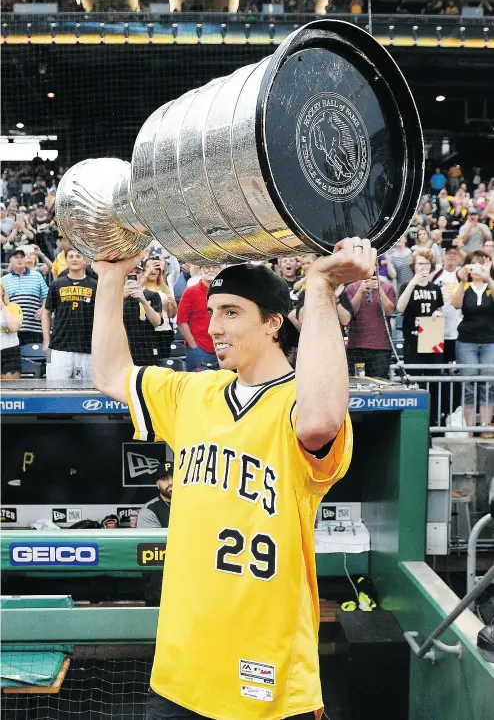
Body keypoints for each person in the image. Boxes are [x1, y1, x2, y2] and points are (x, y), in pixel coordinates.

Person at [91, 237, 374, 720]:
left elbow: (320, 421)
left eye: (230, 313)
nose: (214, 327)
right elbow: (111, 373)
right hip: (184, 668)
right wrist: (112, 277)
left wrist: (322, 288)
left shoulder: (300, 403)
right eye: (212, 311)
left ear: (272, 323)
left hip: (267, 668)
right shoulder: (195, 391)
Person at [451, 250, 494, 436]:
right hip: (467, 340)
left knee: (488, 384)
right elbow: (456, 304)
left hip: (490, 341)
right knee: (468, 383)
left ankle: (484, 427)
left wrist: (488, 277)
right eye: (473, 264)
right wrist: (461, 281)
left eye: (480, 264)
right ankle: (469, 429)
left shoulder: (491, 286)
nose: (476, 268)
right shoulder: (465, 287)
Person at [42, 248, 97, 380]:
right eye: (71, 256)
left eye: (78, 256)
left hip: (86, 348)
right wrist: (46, 341)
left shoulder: (95, 285)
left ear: (85, 260)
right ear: (66, 260)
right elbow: (46, 312)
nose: (74, 259)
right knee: (56, 391)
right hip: (59, 348)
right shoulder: (56, 285)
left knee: (84, 392)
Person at [397, 249, 444, 365]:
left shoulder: (436, 288)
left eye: (426, 264)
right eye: (420, 264)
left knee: (433, 378)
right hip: (412, 338)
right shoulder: (406, 286)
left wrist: (438, 314)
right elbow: (400, 308)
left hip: (431, 337)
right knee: (414, 377)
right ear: (414, 266)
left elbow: (440, 310)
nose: (423, 267)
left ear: (431, 266)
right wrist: (413, 283)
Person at [345, 275, 396, 379]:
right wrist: (360, 291)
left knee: (379, 382)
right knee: (357, 381)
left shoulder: (387, 287)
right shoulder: (351, 288)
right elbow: (350, 313)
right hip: (356, 346)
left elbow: (389, 311)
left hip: (381, 347)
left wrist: (379, 290)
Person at [138, 469, 174, 607]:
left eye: (174, 477)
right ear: (157, 484)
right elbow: (153, 553)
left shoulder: (194, 506)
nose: (171, 482)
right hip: (162, 577)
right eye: (165, 479)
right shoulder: (150, 510)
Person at [176, 264, 220, 372]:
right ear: (200, 269)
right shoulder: (190, 292)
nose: (211, 269)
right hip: (199, 348)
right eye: (207, 267)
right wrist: (194, 346)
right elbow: (181, 321)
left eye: (214, 267)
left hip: (221, 347)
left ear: (219, 269)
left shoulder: (224, 293)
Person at [2, 248, 48, 345]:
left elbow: (46, 295)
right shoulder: (4, 280)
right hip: (12, 330)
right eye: (16, 257)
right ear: (10, 260)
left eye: (22, 257)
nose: (19, 260)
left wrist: (43, 308)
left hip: (34, 327)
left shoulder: (37, 276)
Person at [140, 256, 178, 363]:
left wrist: (174, 305)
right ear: (144, 270)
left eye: (156, 267)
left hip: (164, 331)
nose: (153, 270)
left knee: (163, 362)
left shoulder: (164, 288)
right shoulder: (140, 287)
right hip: (145, 332)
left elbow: (171, 314)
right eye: (149, 267)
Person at [123, 270, 163, 366]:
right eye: (129, 272)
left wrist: (144, 301)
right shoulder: (116, 296)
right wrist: (121, 297)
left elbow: (157, 322)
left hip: (146, 349)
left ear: (143, 274)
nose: (133, 275)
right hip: (123, 349)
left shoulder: (153, 295)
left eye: (137, 272)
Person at [431, 245, 462, 363]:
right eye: (449, 253)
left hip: (456, 326)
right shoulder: (436, 275)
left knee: (453, 361)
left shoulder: (461, 276)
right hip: (438, 327)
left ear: (459, 257)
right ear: (444, 256)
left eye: (455, 253)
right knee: (439, 361)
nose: (452, 256)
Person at [0, 280, 23, 380]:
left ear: (3, 291)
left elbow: (14, 327)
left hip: (9, 352)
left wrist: (2, 306)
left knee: (10, 385)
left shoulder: (13, 307)